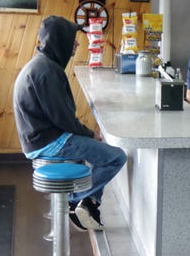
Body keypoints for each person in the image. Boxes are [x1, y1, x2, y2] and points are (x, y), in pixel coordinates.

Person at [13, 15, 127, 231]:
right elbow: (64, 119)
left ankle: (89, 203)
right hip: (47, 142)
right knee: (115, 157)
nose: (76, 43)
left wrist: (85, 135)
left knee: (97, 152)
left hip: (40, 137)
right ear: (60, 41)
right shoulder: (47, 71)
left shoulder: (43, 65)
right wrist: (89, 134)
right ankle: (76, 201)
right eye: (72, 38)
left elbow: (61, 117)